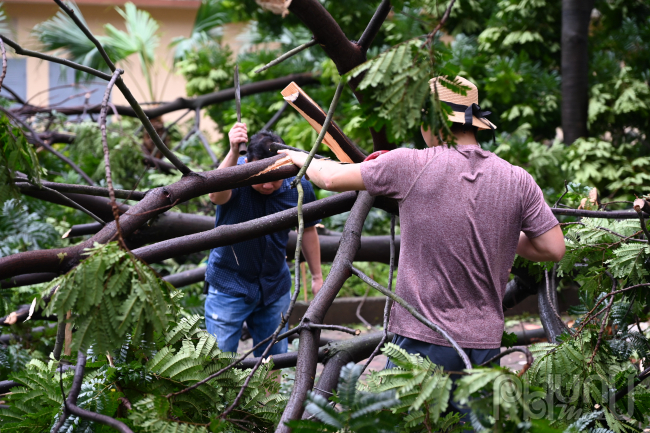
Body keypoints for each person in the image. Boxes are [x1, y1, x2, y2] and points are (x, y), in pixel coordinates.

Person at [278, 75, 565, 398]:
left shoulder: (410, 164)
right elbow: (554, 247)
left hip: (420, 342)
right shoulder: (517, 179)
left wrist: (296, 156)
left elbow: (328, 178)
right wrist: (497, 232)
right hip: (484, 347)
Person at [205, 122, 323, 357]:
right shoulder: (235, 175)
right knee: (217, 361)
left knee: (273, 360)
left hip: (274, 286)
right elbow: (215, 195)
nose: (268, 184)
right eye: (262, 178)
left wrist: (317, 276)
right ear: (248, 164)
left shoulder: (296, 185)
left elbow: (307, 230)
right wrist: (231, 151)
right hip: (229, 283)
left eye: (275, 178)